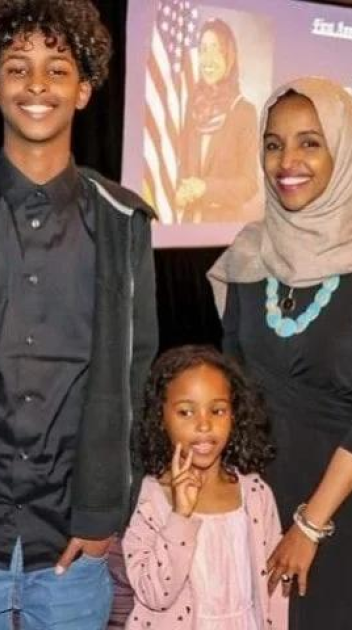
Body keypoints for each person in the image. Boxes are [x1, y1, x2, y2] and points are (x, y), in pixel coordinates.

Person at [209, 76, 352, 629]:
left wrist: (309, 526)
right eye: (274, 144)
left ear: (344, 152)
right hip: (256, 505)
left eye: (310, 143)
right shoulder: (249, 257)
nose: (287, 161)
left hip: (342, 515)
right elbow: (233, 388)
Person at [0, 1, 158, 628]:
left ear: (84, 89)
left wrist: (105, 513)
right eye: (17, 67)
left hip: (72, 548)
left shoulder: (122, 222)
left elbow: (136, 375)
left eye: (58, 69)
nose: (37, 84)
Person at [122, 345, 287, 629]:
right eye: (186, 412)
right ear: (161, 417)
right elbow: (154, 593)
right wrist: (180, 517)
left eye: (217, 410)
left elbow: (275, 591)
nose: (204, 425)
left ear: (234, 415)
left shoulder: (255, 494)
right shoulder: (153, 498)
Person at [175, 18, 259, 224]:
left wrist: (206, 188)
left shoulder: (244, 112)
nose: (208, 59)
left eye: (217, 50)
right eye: (203, 50)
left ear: (229, 57)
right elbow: (181, 162)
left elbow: (250, 185)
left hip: (221, 229)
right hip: (185, 225)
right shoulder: (192, 104)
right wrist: (180, 189)